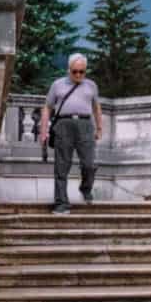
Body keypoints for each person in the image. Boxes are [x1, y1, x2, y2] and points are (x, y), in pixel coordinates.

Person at [39, 53, 102, 214]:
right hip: (63, 125)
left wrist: (100, 127)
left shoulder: (91, 86)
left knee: (89, 164)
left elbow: (96, 108)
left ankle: (85, 188)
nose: (78, 75)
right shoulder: (57, 85)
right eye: (75, 71)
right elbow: (47, 107)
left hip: (85, 125)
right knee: (61, 166)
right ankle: (61, 204)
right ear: (69, 70)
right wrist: (44, 130)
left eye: (82, 71)